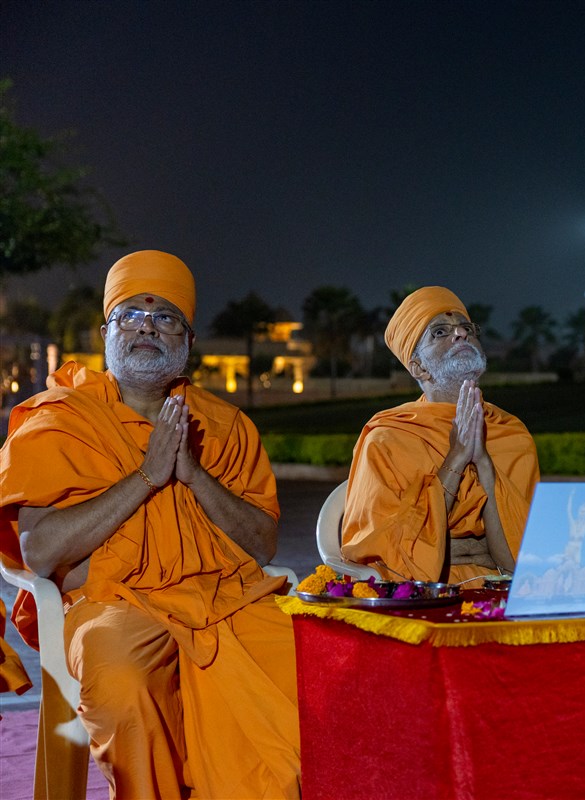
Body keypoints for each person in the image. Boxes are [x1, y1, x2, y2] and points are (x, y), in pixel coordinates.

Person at [0, 250, 300, 798]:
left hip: (226, 598)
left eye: (165, 318)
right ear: (105, 330)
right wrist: (146, 477)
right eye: (131, 316)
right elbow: (41, 551)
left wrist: (192, 474)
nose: (147, 328)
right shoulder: (59, 420)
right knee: (124, 681)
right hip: (112, 604)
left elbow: (262, 545)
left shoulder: (225, 426)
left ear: (188, 339)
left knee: (314, 670)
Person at [341, 287, 539, 584]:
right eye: (440, 332)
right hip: (423, 594)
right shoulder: (387, 441)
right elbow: (391, 563)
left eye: (466, 328)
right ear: (418, 367)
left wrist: (483, 462)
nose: (460, 333)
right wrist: (457, 457)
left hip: (500, 587)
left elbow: (521, 560)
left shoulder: (511, 434)